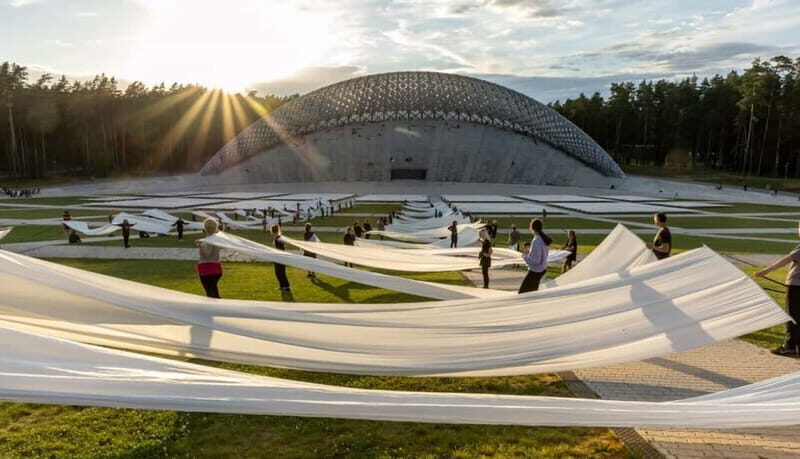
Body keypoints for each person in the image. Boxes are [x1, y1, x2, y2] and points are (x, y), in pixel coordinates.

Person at [755, 229, 800, 357]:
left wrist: (765, 271)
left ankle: (789, 347)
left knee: (793, 316)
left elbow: (785, 260)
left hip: (796, 286)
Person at [518, 218, 552, 294]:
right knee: (531, 293)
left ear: (532, 228)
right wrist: (529, 253)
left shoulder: (537, 240)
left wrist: (525, 256)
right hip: (541, 269)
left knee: (522, 293)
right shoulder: (542, 239)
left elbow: (536, 260)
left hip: (536, 270)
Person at [195, 218, 222, 298]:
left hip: (207, 268)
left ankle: (217, 305)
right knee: (213, 292)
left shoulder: (208, 241)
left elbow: (206, 255)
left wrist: (200, 246)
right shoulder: (216, 239)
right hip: (216, 267)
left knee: (211, 294)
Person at [271, 224, 291, 291]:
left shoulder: (278, 238)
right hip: (278, 257)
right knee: (278, 272)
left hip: (279, 258)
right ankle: (282, 286)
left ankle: (286, 286)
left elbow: (280, 249)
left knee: (280, 272)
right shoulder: (277, 238)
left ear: (272, 231)